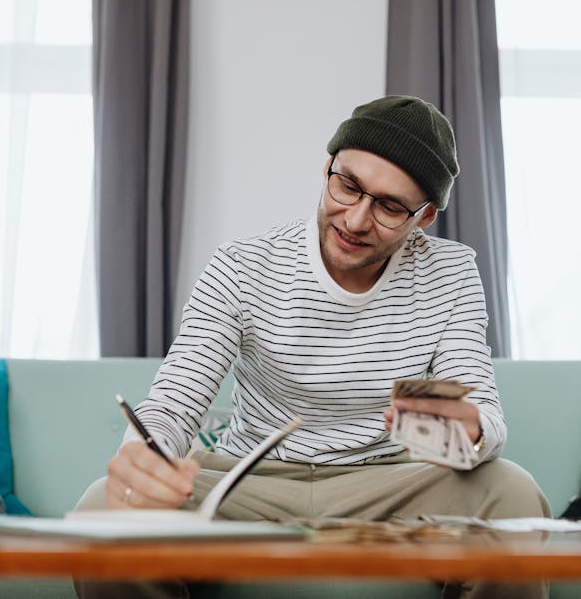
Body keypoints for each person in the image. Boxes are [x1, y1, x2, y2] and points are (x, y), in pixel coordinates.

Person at [75, 95, 550, 599]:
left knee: (514, 495)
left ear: (425, 216)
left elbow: (486, 421)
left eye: (390, 207)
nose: (356, 220)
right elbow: (174, 403)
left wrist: (464, 430)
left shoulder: (450, 273)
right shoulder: (242, 264)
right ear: (327, 168)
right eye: (348, 186)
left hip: (389, 483)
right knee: (103, 510)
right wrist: (142, 458)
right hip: (249, 484)